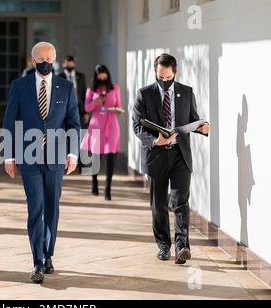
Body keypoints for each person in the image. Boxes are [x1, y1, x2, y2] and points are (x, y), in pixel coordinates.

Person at [3, 42, 81, 284]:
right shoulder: (20, 86)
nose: (45, 62)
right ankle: (37, 261)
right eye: (40, 59)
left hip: (57, 158)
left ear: (55, 59)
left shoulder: (66, 88)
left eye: (49, 58)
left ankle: (48, 254)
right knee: (35, 208)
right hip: (29, 157)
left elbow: (74, 124)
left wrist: (73, 154)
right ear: (32, 60)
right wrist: (8, 155)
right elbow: (9, 120)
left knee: (52, 209)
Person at [132, 53, 210, 264]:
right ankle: (164, 246)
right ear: (155, 73)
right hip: (156, 154)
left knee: (181, 202)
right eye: (160, 78)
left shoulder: (186, 92)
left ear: (174, 73)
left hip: (180, 155)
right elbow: (137, 126)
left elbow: (193, 119)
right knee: (158, 204)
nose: (164, 82)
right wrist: (156, 140)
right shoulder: (144, 94)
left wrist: (202, 128)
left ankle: (182, 246)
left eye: (168, 78)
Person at [81, 65, 123, 201]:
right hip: (96, 124)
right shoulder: (91, 90)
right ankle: (94, 183)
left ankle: (108, 189)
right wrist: (95, 101)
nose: (102, 76)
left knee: (111, 156)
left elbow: (119, 106)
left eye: (104, 73)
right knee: (95, 156)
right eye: (99, 74)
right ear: (96, 75)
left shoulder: (115, 88)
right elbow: (87, 108)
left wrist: (116, 110)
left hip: (111, 125)